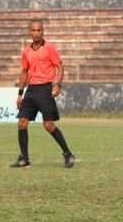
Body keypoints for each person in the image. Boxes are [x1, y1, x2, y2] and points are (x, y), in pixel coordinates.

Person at [11, 20, 76, 168]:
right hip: (31, 90)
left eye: (39, 30)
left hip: (45, 89)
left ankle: (68, 154)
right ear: (29, 32)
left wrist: (57, 84)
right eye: (33, 30)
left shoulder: (49, 49)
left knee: (48, 125)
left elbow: (59, 67)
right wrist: (20, 93)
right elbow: (24, 72)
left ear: (43, 31)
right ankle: (24, 159)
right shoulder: (26, 51)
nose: (36, 33)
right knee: (22, 123)